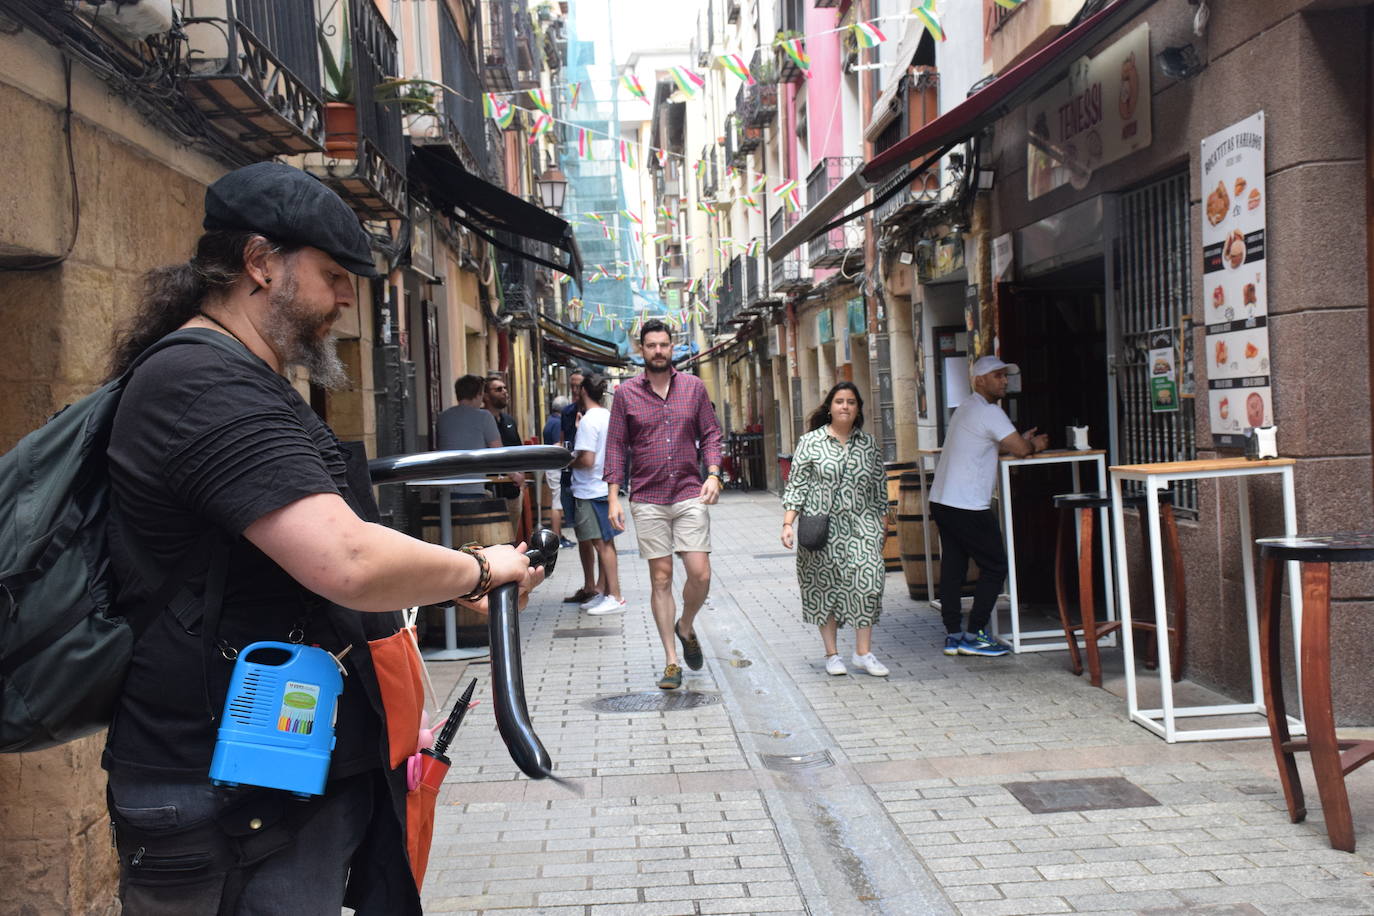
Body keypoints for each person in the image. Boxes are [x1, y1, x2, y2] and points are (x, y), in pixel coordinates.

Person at [100, 162, 542, 915]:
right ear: (260, 263)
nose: (347, 298)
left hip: (264, 780)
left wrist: (430, 579)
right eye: (335, 275)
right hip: (220, 792)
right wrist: (476, 568)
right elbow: (347, 558)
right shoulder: (208, 387)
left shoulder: (236, 375)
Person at [605, 319, 723, 690]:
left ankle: (685, 624)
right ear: (641, 350)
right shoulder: (626, 393)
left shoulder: (693, 388)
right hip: (647, 496)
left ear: (673, 348)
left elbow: (711, 433)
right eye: (651, 345)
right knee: (661, 577)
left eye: (664, 345)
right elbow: (615, 446)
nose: (658, 351)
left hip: (690, 490)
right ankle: (672, 661)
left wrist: (715, 473)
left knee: (700, 572)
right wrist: (613, 497)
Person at [929, 355, 1048, 658]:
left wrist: (1018, 440)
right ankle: (976, 633)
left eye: (1005, 376)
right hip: (967, 503)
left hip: (943, 499)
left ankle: (954, 634)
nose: (1004, 381)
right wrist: (1035, 445)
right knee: (995, 566)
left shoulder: (966, 408)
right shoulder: (989, 412)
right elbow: (1019, 449)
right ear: (980, 380)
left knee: (954, 566)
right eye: (997, 376)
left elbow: (994, 441)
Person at [780, 382, 890, 677]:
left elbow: (879, 487)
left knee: (869, 584)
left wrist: (883, 524)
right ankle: (832, 654)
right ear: (830, 407)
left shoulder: (868, 445)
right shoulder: (810, 442)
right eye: (839, 401)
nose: (845, 406)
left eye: (851, 402)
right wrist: (788, 523)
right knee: (824, 589)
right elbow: (797, 486)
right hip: (822, 527)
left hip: (862, 525)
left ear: (858, 409)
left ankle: (863, 652)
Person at [570, 374, 624, 615]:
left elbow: (587, 459)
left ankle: (616, 596)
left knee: (601, 545)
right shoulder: (607, 416)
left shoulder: (589, 421)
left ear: (583, 390)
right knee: (605, 543)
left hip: (590, 488)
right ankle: (604, 592)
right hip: (603, 486)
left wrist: (569, 459)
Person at [559, 369, 598, 603]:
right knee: (581, 534)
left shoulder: (595, 413)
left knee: (600, 539)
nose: (575, 390)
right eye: (571, 386)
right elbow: (565, 440)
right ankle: (589, 584)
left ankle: (601, 586)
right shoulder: (567, 412)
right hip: (571, 477)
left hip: (593, 480)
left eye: (578, 386)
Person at [437, 374, 502, 497]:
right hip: (472, 489)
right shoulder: (484, 417)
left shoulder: (442, 417)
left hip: (445, 493)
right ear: (478, 394)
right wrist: (515, 474)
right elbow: (499, 452)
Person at [484, 373, 526, 529]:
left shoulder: (509, 421)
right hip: (490, 491)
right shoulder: (481, 420)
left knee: (511, 535)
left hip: (512, 490)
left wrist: (520, 476)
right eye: (498, 389)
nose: (504, 392)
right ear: (486, 396)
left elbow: (518, 450)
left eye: (505, 388)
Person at [543, 394, 575, 548]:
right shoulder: (557, 423)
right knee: (557, 503)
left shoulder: (549, 421)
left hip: (551, 466)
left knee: (557, 500)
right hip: (556, 467)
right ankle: (557, 538)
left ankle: (559, 535)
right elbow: (557, 445)